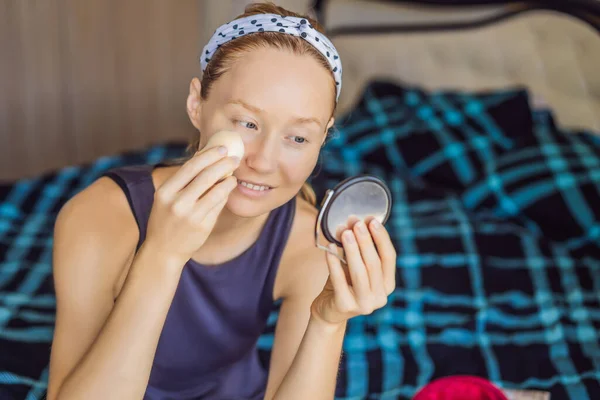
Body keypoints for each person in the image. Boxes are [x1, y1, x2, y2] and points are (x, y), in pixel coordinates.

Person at [47, 2, 397, 399]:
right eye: (247, 123)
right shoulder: (96, 218)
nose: (263, 162)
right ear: (197, 105)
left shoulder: (307, 241)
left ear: (323, 138)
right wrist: (163, 253)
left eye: (298, 137)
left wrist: (328, 322)